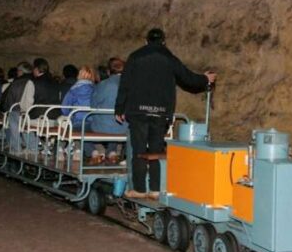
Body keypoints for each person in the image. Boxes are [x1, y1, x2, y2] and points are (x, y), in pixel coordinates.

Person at [115, 28, 216, 200]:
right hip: (160, 114)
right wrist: (205, 79)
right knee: (156, 150)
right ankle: (155, 189)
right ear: (163, 41)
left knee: (139, 151)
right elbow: (188, 78)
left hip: (138, 112)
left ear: (146, 41)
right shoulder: (169, 58)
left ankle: (139, 189)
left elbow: (125, 85)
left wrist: (119, 109)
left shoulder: (135, 57)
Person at [90, 57, 129, 163]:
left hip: (102, 127)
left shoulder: (103, 85)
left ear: (108, 71)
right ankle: (112, 152)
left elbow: (93, 105)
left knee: (82, 127)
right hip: (125, 127)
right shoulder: (133, 85)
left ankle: (96, 152)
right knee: (116, 127)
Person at [61, 66, 98, 160]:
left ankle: (62, 150)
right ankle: (82, 150)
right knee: (83, 132)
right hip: (93, 122)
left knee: (68, 127)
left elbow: (64, 107)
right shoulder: (96, 89)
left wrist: (69, 116)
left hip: (77, 122)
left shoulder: (74, 90)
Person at [0, 62, 34, 153]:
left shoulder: (17, 82)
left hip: (20, 109)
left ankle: (16, 147)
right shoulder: (34, 80)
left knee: (12, 117)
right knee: (25, 122)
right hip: (34, 111)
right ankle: (32, 147)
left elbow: (8, 98)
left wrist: (4, 109)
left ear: (20, 71)